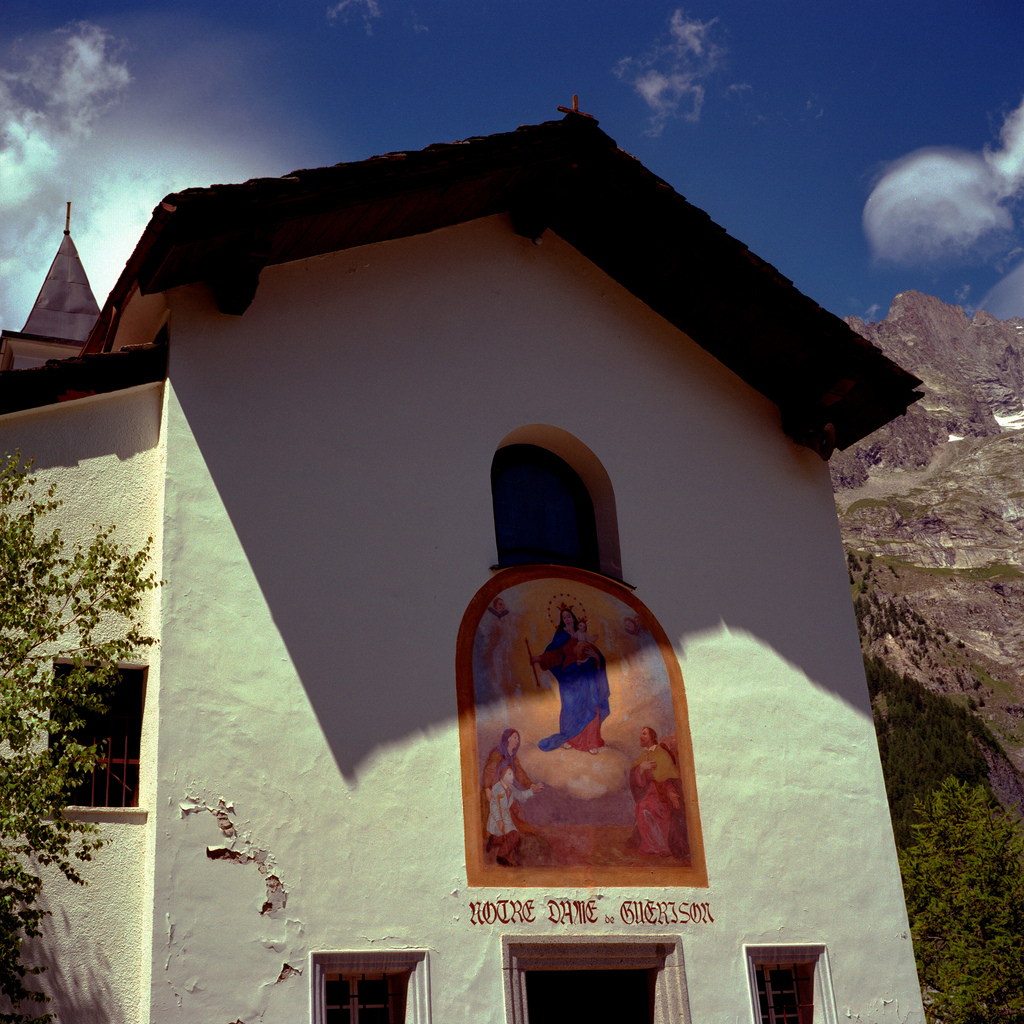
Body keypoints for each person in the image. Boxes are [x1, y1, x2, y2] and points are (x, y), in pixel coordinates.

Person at [531, 606, 610, 754]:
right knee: (569, 708)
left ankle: (591, 742)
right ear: (562, 621)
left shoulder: (582, 634)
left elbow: (593, 651)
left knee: (590, 705)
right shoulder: (561, 635)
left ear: (573, 618)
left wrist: (595, 656)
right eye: (564, 617)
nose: (567, 619)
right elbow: (554, 653)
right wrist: (539, 658)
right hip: (569, 675)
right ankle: (570, 739)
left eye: (569, 616)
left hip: (586, 673)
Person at [627, 726, 689, 859]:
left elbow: (670, 778)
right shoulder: (645, 755)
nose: (641, 737)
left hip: (662, 794)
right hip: (651, 792)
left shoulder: (661, 753)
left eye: (644, 734)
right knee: (641, 806)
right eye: (641, 734)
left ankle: (663, 846)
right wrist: (642, 769)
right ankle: (651, 846)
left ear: (651, 737)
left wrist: (672, 794)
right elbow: (639, 780)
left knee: (650, 808)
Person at [486, 765, 539, 866]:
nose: (512, 777)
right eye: (509, 774)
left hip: (506, 816)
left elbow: (520, 795)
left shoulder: (511, 788)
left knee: (513, 835)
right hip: (496, 816)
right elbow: (493, 806)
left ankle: (493, 840)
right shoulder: (497, 788)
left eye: (512, 774)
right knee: (514, 835)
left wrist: (532, 791)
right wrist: (498, 820)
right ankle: (501, 857)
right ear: (503, 775)